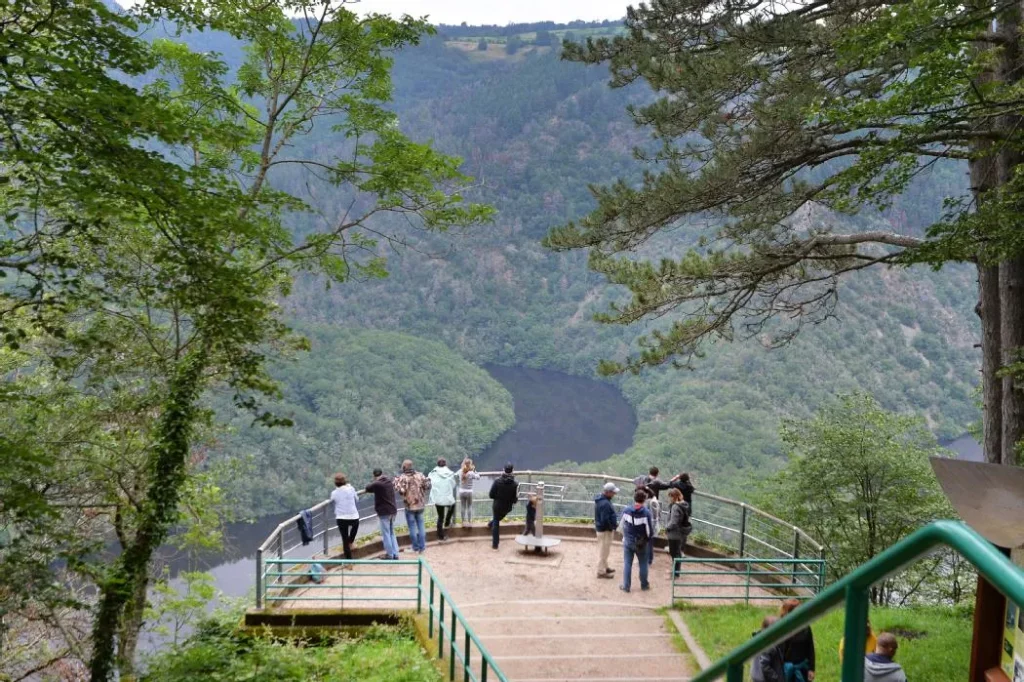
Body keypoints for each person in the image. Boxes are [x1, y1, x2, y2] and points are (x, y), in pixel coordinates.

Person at [394, 459, 431, 554]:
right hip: (420, 505)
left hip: (410, 506)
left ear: (404, 467)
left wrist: (396, 482)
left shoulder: (403, 478)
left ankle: (415, 547)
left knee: (412, 527)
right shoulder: (420, 475)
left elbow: (400, 491)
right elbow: (428, 486)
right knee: (421, 526)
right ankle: (422, 547)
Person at [620, 489, 653, 593]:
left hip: (628, 541)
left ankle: (626, 586)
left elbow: (621, 526)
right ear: (644, 500)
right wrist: (647, 540)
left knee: (627, 563)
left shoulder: (626, 510)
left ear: (634, 498)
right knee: (643, 563)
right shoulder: (646, 513)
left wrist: (625, 536)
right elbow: (649, 531)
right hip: (641, 543)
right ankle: (644, 585)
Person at [365, 468, 399, 560]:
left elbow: (368, 488)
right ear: (382, 473)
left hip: (385, 512)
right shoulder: (388, 481)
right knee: (392, 533)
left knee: (386, 534)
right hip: (393, 510)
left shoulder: (377, 484)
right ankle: (395, 554)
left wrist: (374, 482)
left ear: (374, 475)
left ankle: (389, 555)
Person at [779, 599, 815, 682]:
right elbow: (778, 653)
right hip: (786, 671)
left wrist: (811, 669)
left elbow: (810, 649)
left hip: (802, 669)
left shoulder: (805, 628)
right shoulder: (781, 629)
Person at [488, 462, 519, 550]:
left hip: (497, 505)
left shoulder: (497, 481)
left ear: (503, 470)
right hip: (507, 507)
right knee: (497, 519)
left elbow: (491, 495)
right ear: (512, 471)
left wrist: (498, 497)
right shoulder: (515, 484)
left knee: (496, 521)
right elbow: (515, 499)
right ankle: (490, 523)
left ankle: (495, 545)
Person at [330, 473, 360, 561]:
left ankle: (349, 561)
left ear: (335, 483)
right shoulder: (351, 489)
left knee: (344, 540)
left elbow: (332, 502)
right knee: (354, 527)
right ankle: (351, 542)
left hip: (341, 518)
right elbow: (357, 499)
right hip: (353, 516)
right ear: (345, 481)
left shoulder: (334, 493)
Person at [428, 458, 458, 541]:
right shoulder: (449, 473)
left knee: (440, 517)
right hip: (447, 497)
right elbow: (453, 484)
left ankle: (440, 536)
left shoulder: (433, 473)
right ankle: (447, 521)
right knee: (452, 505)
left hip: (437, 498)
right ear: (445, 464)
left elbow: (429, 482)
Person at [664, 488, 692, 577]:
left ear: (674, 497)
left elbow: (674, 522)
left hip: (674, 534)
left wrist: (667, 528)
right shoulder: (684, 505)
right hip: (681, 533)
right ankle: (676, 572)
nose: (669, 499)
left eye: (670, 497)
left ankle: (675, 574)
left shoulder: (676, 507)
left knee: (674, 553)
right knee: (678, 553)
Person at [594, 482, 619, 579]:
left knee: (605, 550)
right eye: (613, 492)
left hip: (602, 529)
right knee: (603, 552)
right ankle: (601, 572)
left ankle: (605, 567)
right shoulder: (605, 504)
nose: (614, 494)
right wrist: (612, 527)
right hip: (605, 531)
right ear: (608, 492)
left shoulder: (601, 499)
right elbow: (605, 520)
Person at [752, 616, 785, 682]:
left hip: (757, 676)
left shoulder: (759, 639)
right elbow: (764, 665)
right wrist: (776, 678)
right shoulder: (769, 645)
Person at [458, 458, 481, 526]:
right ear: (470, 464)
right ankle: (469, 521)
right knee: (469, 506)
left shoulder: (460, 471)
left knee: (462, 506)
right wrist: (475, 471)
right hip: (469, 492)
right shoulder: (471, 473)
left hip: (461, 491)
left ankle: (463, 521)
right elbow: (478, 477)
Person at [644, 487, 661, 566]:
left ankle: (649, 560)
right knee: (648, 543)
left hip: (650, 526)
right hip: (650, 526)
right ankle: (648, 559)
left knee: (649, 543)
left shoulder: (652, 502)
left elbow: (653, 517)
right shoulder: (652, 501)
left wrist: (650, 529)